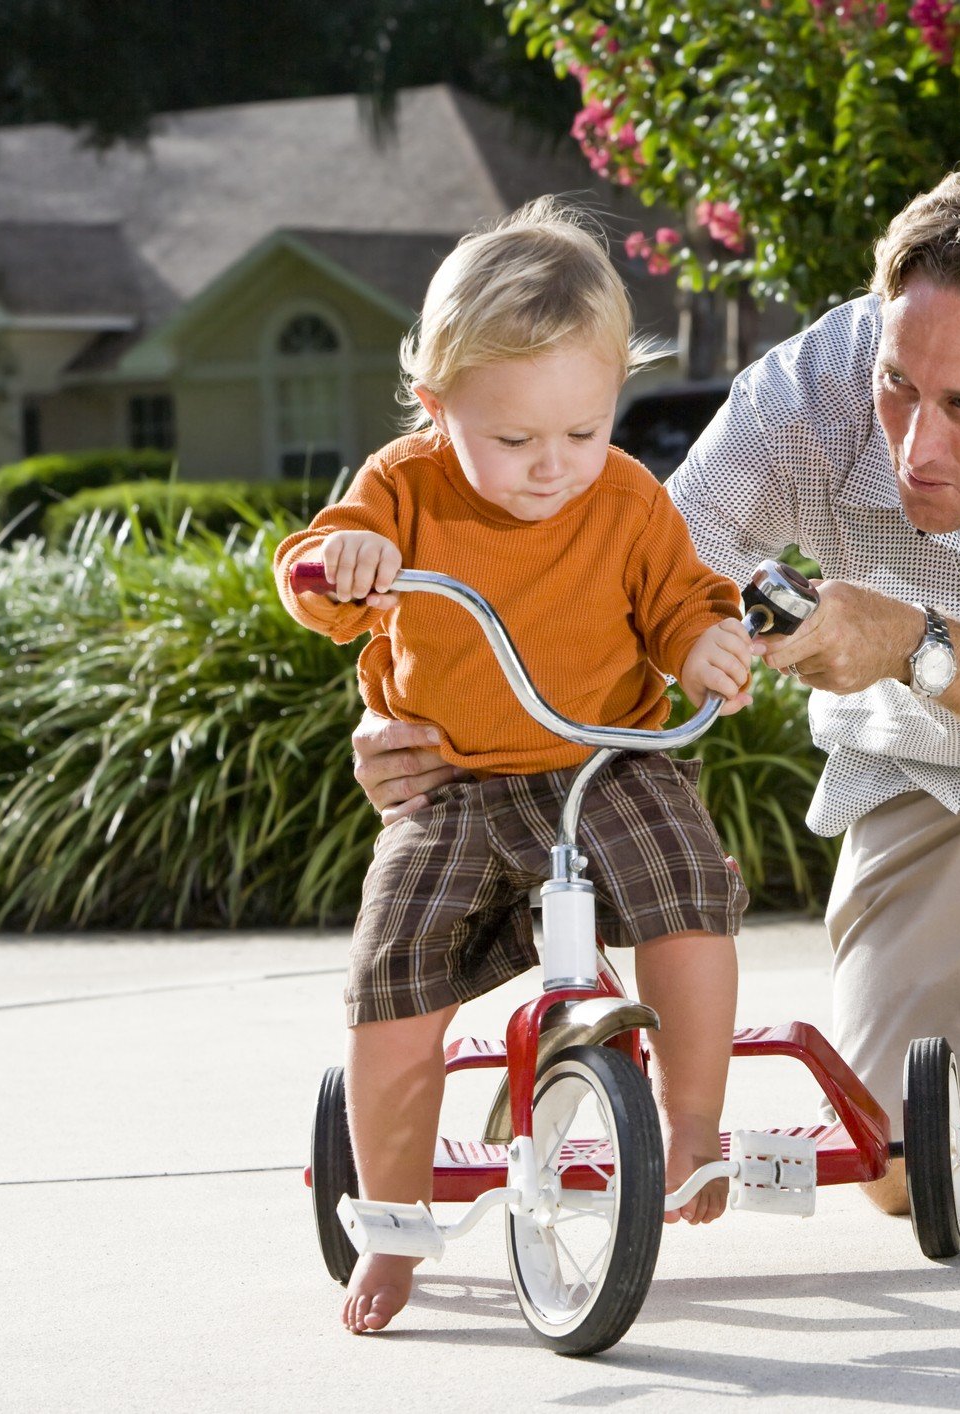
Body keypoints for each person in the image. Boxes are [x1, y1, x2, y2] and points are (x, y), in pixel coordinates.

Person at [351, 172, 960, 1239]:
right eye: (899, 386)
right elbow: (625, 592)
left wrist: (914, 642)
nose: (915, 446)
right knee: (897, 1170)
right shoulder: (808, 393)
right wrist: (430, 718)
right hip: (944, 757)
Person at [275, 198, 754, 1336]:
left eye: (582, 432)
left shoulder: (627, 498)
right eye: (514, 440)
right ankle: (391, 1223)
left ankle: (691, 1131)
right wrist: (347, 564)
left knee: (690, 893)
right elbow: (315, 576)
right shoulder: (403, 488)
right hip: (450, 779)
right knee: (392, 982)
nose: (552, 468)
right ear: (437, 409)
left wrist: (703, 642)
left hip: (608, 762)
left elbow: (683, 599)